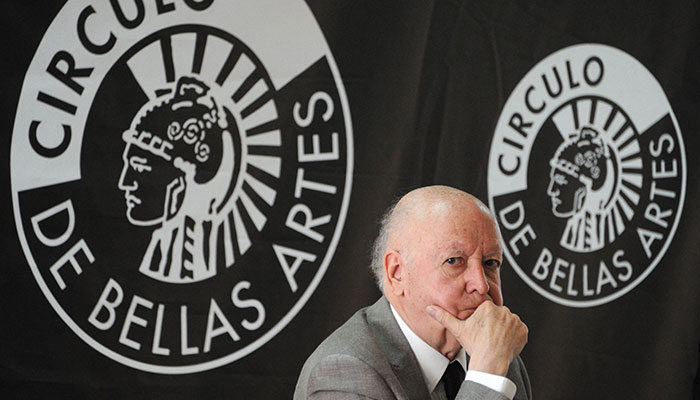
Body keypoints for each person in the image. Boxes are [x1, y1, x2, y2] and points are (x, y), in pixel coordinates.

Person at [294, 186, 531, 400]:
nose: (482, 285)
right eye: (454, 261)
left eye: (490, 263)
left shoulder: (494, 351)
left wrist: (488, 367)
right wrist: (486, 377)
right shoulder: (344, 373)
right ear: (397, 273)